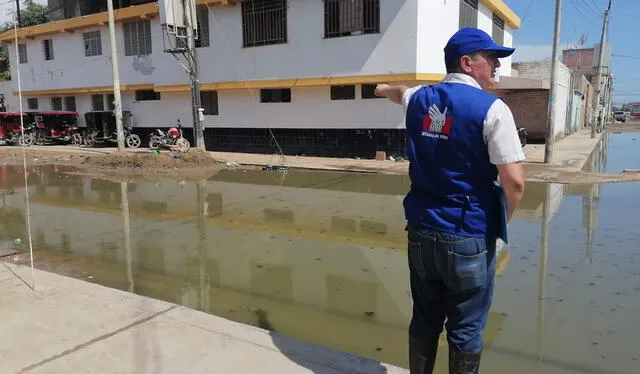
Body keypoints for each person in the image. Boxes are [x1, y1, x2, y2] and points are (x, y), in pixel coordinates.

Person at [375, 28, 526, 374]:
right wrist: (502, 228)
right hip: (468, 235)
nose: (495, 67)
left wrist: (382, 89)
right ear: (467, 63)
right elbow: (515, 182)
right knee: (466, 329)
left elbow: (399, 93)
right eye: (490, 59)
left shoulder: (421, 98)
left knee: (425, 318)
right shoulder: (493, 110)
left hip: (421, 232)